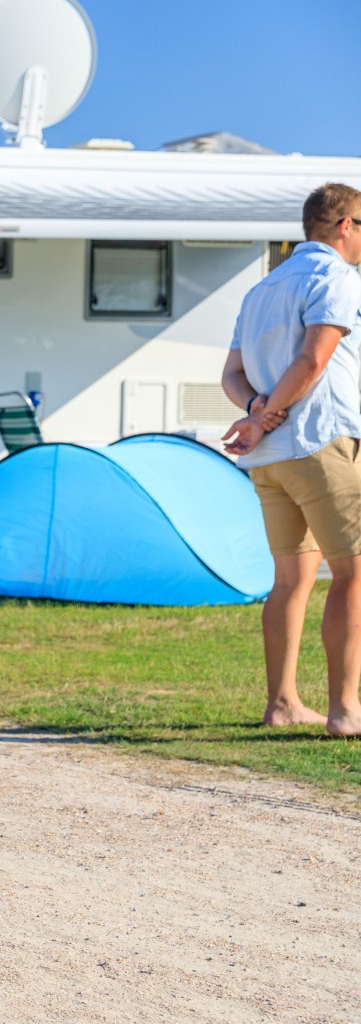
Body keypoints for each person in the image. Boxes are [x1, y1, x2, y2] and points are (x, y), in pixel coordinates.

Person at [221, 183, 361, 738]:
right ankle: (346, 710)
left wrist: (255, 410)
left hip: (271, 459)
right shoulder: (337, 278)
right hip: (319, 442)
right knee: (353, 573)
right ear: (346, 225)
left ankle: (282, 703)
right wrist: (262, 416)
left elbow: (231, 376)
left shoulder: (261, 289)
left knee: (290, 580)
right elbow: (313, 361)